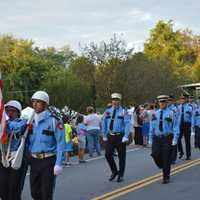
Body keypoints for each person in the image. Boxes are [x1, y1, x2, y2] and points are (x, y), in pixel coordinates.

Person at [28, 91, 65, 200]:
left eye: (38, 102)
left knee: (46, 193)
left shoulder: (54, 121)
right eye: (33, 101)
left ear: (45, 104)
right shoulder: (29, 120)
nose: (35, 104)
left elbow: (60, 143)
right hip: (34, 160)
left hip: (48, 161)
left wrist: (58, 163)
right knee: (35, 193)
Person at [149, 95, 179, 184]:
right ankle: (162, 166)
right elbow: (152, 126)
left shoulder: (172, 113)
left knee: (166, 157)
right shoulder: (155, 113)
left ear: (167, 103)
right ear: (158, 103)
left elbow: (175, 126)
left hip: (167, 137)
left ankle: (166, 177)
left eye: (164, 102)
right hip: (157, 138)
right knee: (155, 154)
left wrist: (175, 138)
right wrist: (150, 137)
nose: (162, 104)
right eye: (161, 102)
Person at [0, 100, 27, 200]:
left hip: (17, 158)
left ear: (18, 113)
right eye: (7, 111)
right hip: (4, 157)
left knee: (14, 188)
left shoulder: (22, 122)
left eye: (12, 111)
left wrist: (4, 123)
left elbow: (17, 128)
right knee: (2, 187)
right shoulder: (3, 123)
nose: (9, 113)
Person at [102, 93, 131, 182]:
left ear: (119, 101)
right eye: (113, 100)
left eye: (117, 100)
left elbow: (127, 124)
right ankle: (114, 171)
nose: (115, 102)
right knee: (107, 154)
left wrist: (126, 136)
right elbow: (104, 123)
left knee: (122, 157)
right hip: (110, 136)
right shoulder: (107, 111)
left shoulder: (123, 111)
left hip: (120, 136)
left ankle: (121, 174)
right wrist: (104, 134)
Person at [177, 94, 193, 160]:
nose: (182, 100)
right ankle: (181, 151)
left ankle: (188, 155)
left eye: (183, 98)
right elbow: (177, 116)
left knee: (187, 140)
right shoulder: (178, 107)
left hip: (187, 124)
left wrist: (192, 126)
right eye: (181, 99)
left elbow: (192, 116)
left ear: (186, 99)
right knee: (178, 139)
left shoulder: (189, 107)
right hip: (180, 124)